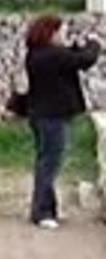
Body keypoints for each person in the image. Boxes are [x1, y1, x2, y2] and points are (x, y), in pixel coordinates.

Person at [24, 14, 101, 229]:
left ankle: (49, 209)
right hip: (52, 118)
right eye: (60, 31)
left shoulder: (37, 54)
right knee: (49, 164)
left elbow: (70, 57)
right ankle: (41, 213)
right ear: (51, 33)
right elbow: (84, 61)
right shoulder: (52, 55)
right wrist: (95, 44)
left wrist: (77, 47)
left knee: (45, 162)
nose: (63, 35)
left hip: (40, 116)